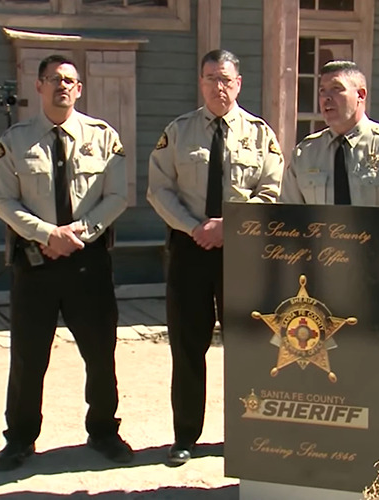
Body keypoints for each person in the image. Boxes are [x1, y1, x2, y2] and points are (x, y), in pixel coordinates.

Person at [0, 54, 132, 471]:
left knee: (100, 352)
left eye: (70, 80)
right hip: (35, 263)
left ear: (80, 89)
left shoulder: (104, 137)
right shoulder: (14, 141)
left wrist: (77, 234)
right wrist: (47, 234)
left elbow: (118, 196)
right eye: (54, 79)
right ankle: (19, 438)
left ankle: (104, 430)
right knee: (29, 356)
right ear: (38, 86)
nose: (62, 86)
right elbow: (3, 200)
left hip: (87, 264)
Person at [146, 49, 284, 465]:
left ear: (238, 83)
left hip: (243, 251)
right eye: (210, 79)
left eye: (225, 79)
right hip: (190, 250)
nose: (218, 87)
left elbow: (272, 191)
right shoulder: (178, 131)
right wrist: (196, 228)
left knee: (248, 346)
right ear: (200, 83)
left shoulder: (260, 134)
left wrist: (232, 227)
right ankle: (185, 436)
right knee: (188, 346)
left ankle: (247, 434)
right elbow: (159, 188)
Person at [280, 60, 379, 260]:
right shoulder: (306, 153)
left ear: (361, 95)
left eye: (337, 89)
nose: (326, 98)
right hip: (320, 271)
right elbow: (287, 215)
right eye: (322, 91)